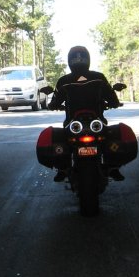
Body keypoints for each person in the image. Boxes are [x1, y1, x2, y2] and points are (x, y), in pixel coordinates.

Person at [48, 45, 124, 182]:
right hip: (97, 122)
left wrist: (53, 106)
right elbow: (112, 97)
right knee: (109, 137)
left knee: (62, 139)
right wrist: (114, 103)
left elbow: (54, 101)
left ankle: (63, 168)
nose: (78, 60)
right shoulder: (99, 77)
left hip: (73, 123)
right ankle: (113, 167)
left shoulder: (63, 81)